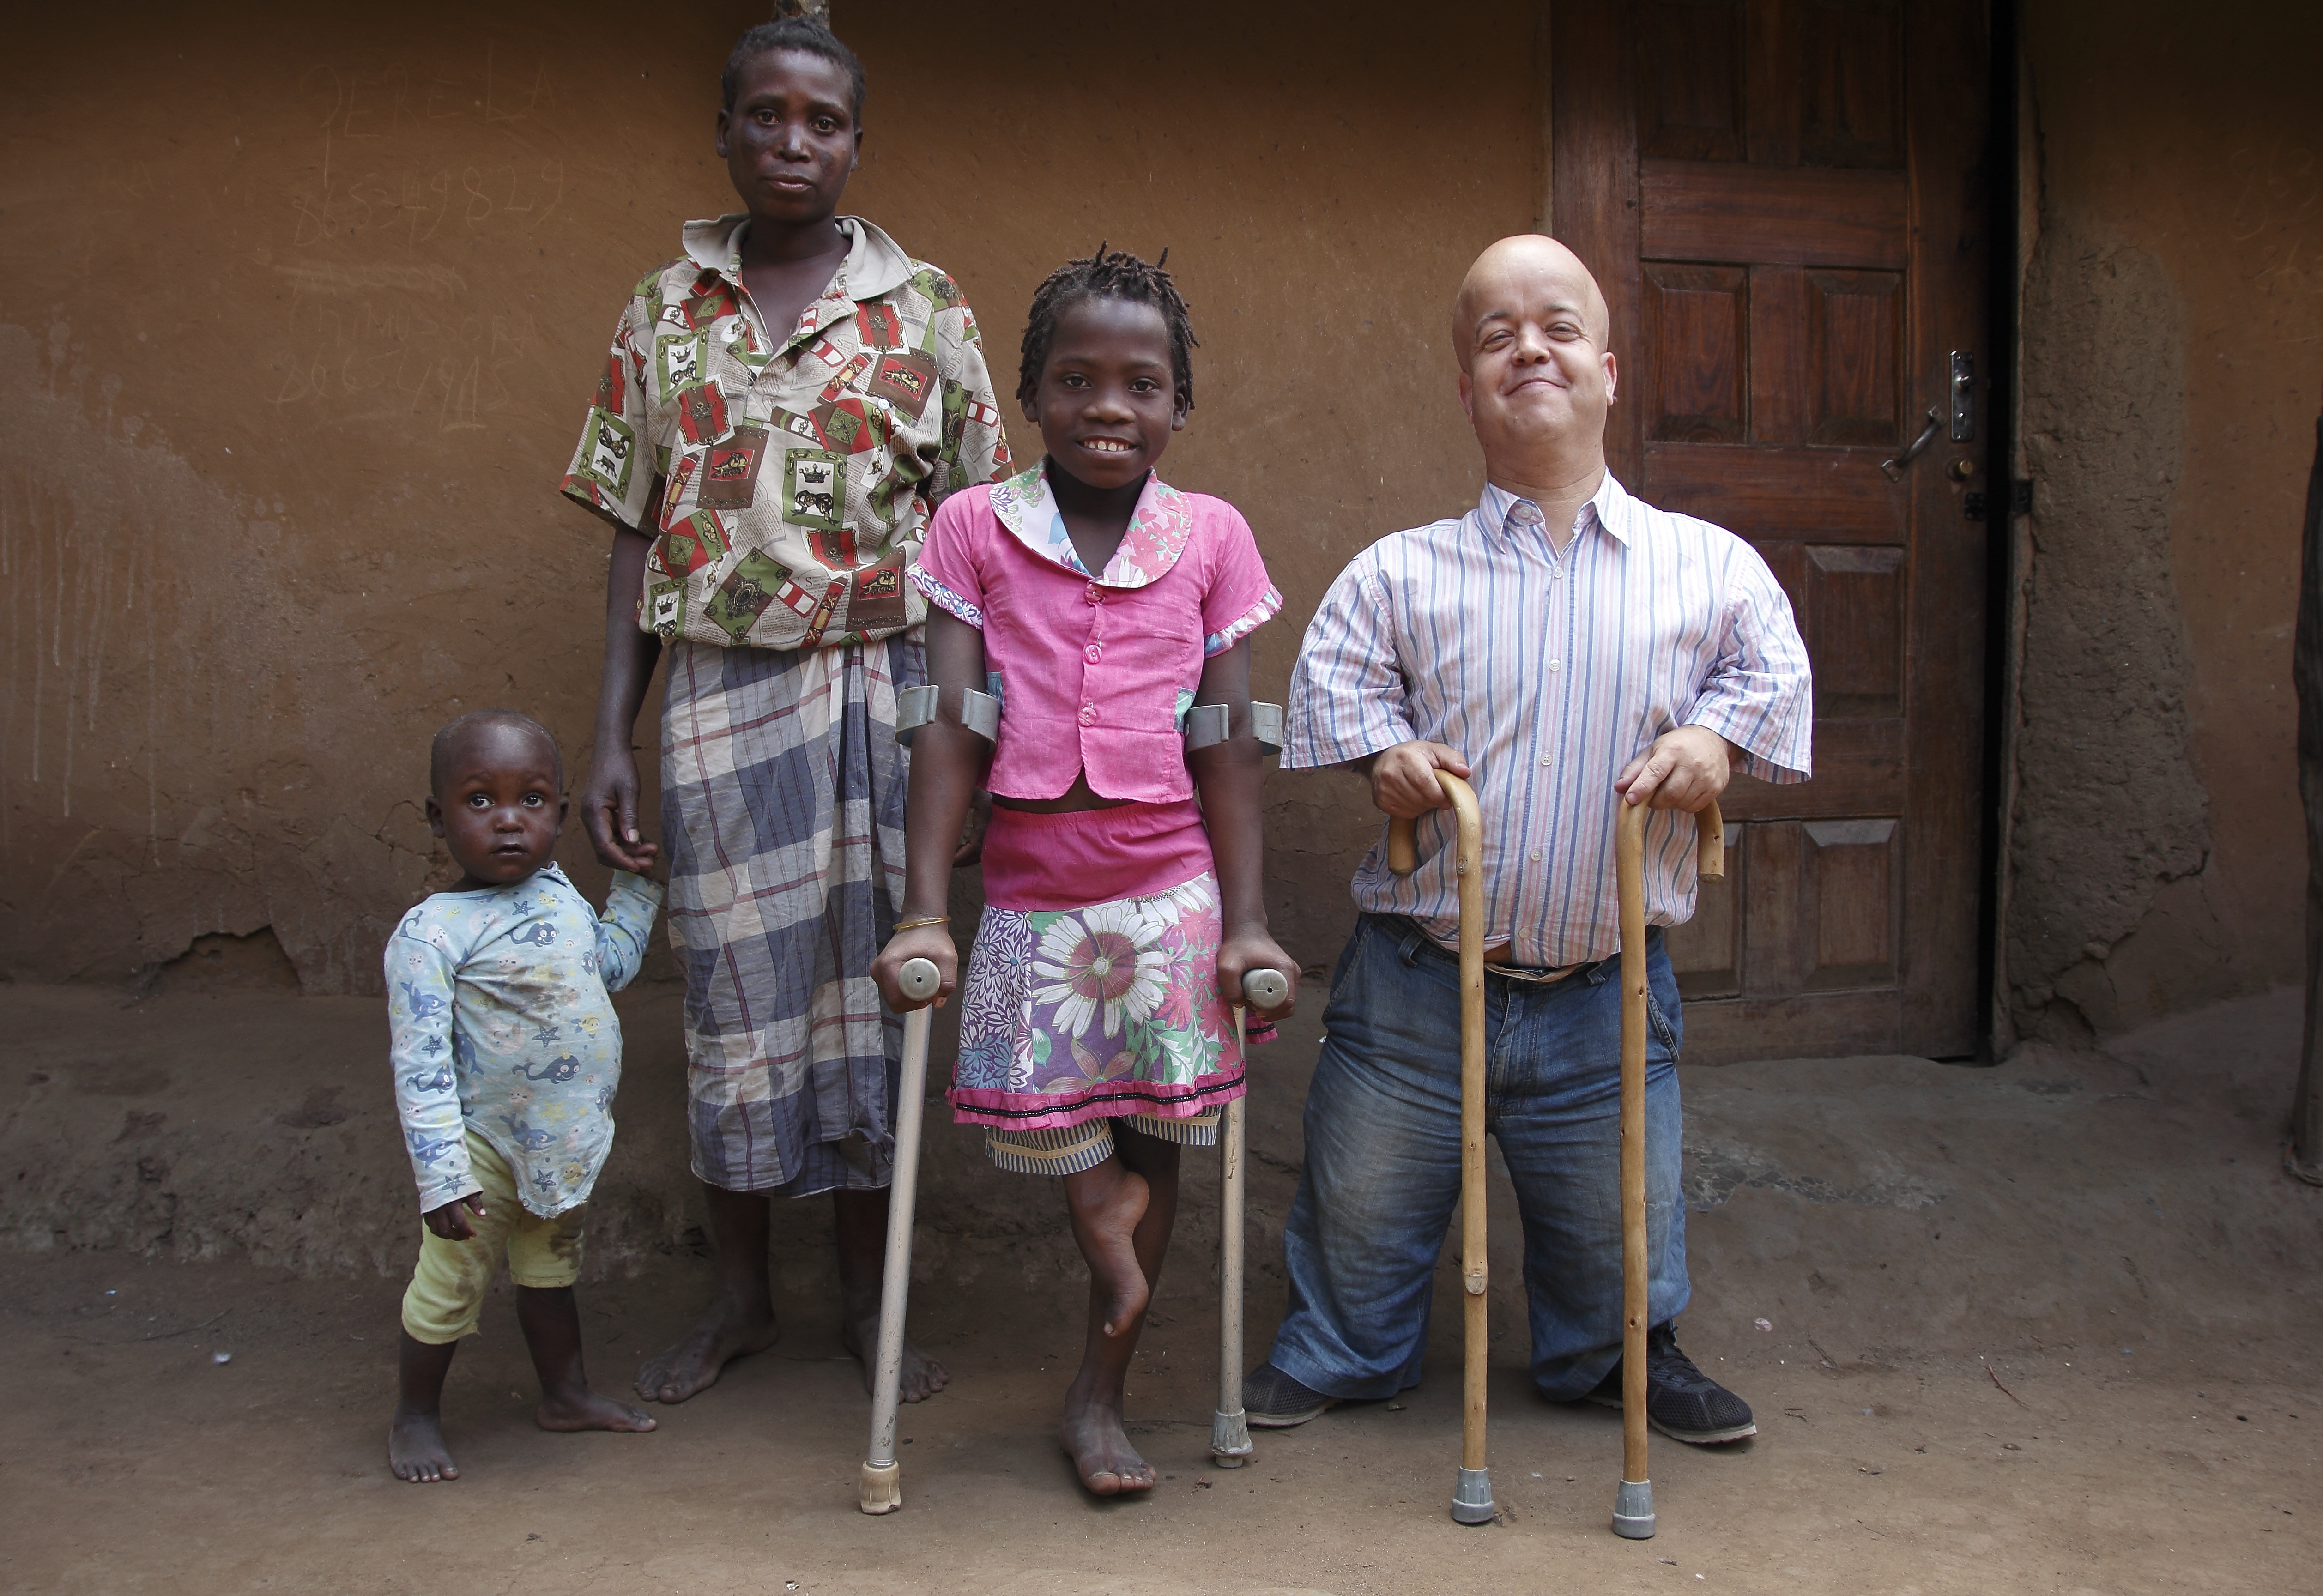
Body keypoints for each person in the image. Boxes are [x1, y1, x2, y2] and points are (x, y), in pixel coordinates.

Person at [1241, 235, 1813, 1445]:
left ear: (1609, 369)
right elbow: (1341, 696)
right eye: (1496, 335)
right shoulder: (1398, 573)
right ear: (1465, 388)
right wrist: (1382, 757)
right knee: (1360, 1219)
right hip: (1413, 992)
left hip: (1605, 994)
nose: (1529, 348)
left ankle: (1622, 1358)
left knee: (1623, 1243)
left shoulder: (1710, 570)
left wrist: (1715, 743)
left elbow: (1771, 683)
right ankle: (1345, 1354)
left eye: (1556, 326)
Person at [559, 14, 1011, 1408]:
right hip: (719, 692)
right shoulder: (661, 310)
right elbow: (635, 528)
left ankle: (872, 1306)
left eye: (822, 120)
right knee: (739, 1009)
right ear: (725, 133)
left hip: (886, 687)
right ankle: (745, 1298)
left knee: (884, 995)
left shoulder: (926, 308)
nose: (794, 142)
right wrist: (608, 735)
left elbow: (978, 545)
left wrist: (970, 732)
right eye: (766, 116)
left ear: (857, 142)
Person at [873, 248, 1298, 1496]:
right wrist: (921, 907)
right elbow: (950, 722)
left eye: (1142, 384)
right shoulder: (973, 527)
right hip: (1033, 884)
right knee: (1047, 1107)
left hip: (1169, 882)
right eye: (1075, 379)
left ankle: (1100, 1391)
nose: (1109, 407)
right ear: (1030, 394)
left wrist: (1253, 925)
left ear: (1178, 405)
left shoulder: (1210, 536)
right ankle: (1104, 1229)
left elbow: (1227, 745)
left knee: (1159, 1124)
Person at [384, 710, 664, 1483]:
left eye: (532, 800)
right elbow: (421, 1066)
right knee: (448, 1288)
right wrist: (443, 1176)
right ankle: (414, 1415)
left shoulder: (560, 894)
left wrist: (637, 890)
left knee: (551, 1274)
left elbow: (604, 969)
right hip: (484, 1154)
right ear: (438, 818)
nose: (509, 821)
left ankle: (564, 1395)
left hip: (566, 1144)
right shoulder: (431, 933)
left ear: (562, 814)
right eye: (480, 802)